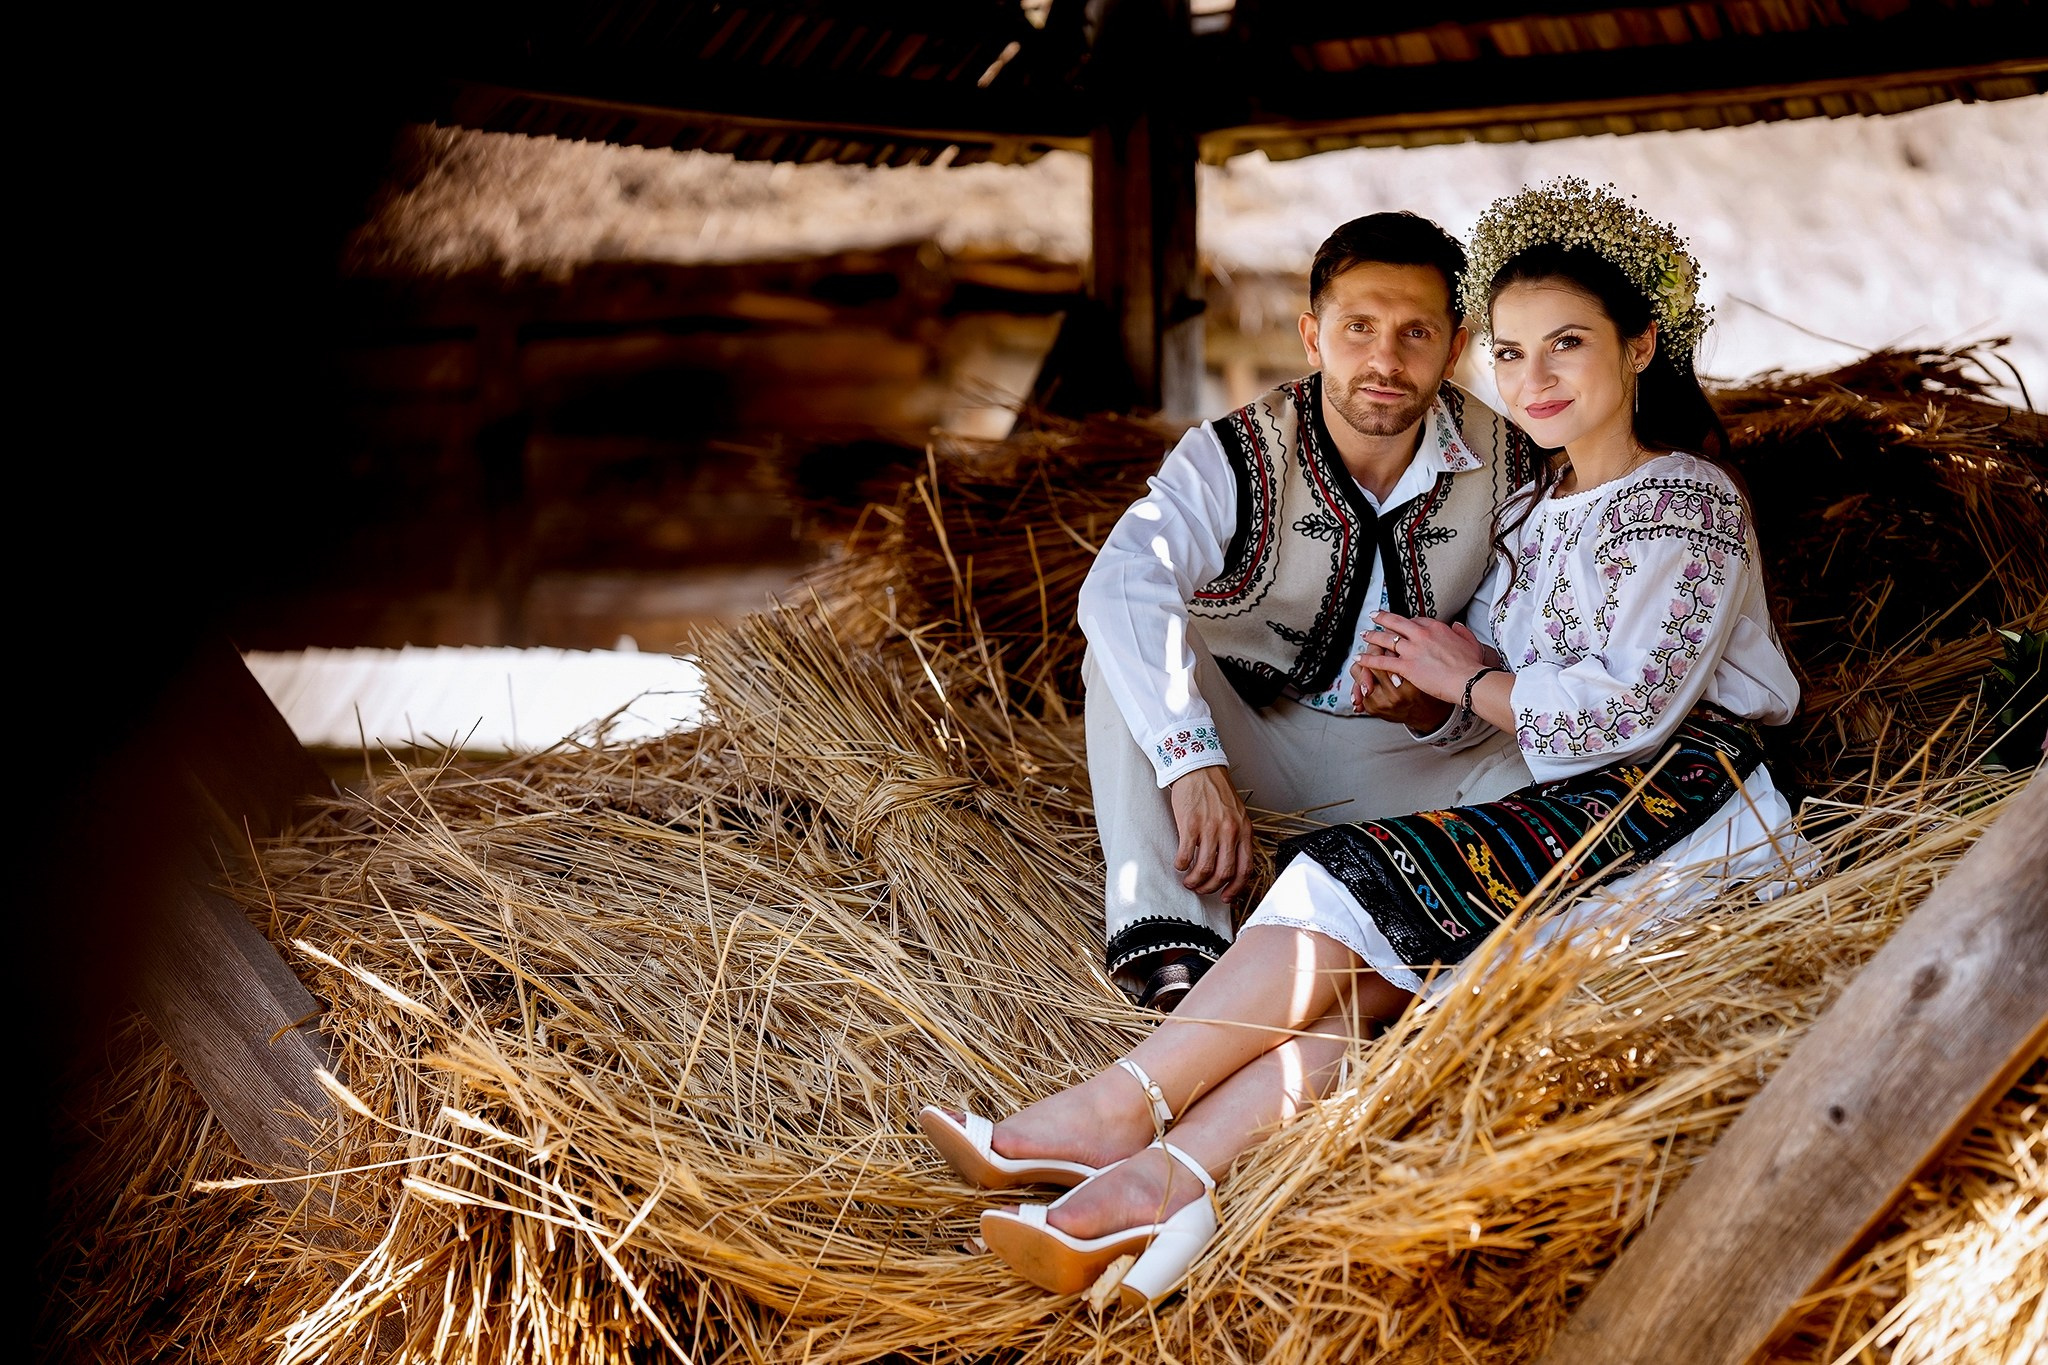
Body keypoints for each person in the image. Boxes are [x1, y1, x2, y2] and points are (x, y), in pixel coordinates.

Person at [919, 178, 1810, 1309]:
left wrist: (1462, 683)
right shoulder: (1526, 509)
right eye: (1516, 352)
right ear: (1312, 337)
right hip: (1563, 792)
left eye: (1567, 344)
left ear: (1637, 347)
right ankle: (1163, 1180)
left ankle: (1114, 1109)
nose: (1534, 377)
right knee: (1390, 977)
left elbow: (1620, 715)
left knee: (1362, 896)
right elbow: (1481, 672)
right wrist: (1425, 700)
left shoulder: (1680, 501)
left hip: (1683, 800)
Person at [1080, 211, 1536, 1013]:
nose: (1385, 360)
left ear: (1454, 347)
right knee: (1120, 656)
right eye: (1358, 327)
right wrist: (1191, 763)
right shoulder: (1233, 452)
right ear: (1313, 336)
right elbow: (1121, 582)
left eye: (1416, 333)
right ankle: (1179, 952)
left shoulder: (1512, 465)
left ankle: (1446, 949)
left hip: (1410, 766)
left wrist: (1433, 711)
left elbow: (1521, 644)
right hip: (1248, 744)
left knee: (1551, 750)